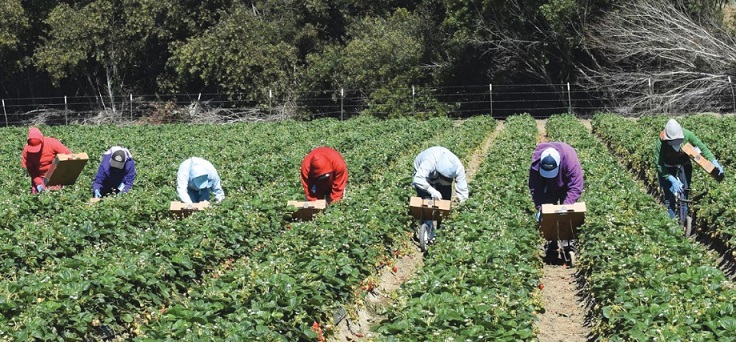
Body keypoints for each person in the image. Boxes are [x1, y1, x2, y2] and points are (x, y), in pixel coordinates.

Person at [655, 118, 723, 218]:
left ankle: (683, 220)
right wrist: (671, 179)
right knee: (669, 198)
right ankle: (672, 222)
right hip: (667, 167)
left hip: (683, 164)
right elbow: (659, 164)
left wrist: (713, 161)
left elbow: (702, 148)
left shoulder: (687, 134)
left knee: (684, 194)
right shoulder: (661, 141)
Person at [412, 146, 468, 243]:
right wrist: (431, 190)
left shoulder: (458, 167)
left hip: (436, 174)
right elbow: (418, 179)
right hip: (424, 177)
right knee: (427, 203)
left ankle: (441, 230)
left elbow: (462, 189)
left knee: (445, 203)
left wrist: (464, 206)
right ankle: (427, 231)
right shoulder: (429, 162)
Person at [528, 142, 584, 219]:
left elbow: (576, 186)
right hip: (548, 185)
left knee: (566, 216)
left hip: (565, 183)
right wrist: (540, 207)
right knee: (548, 214)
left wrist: (566, 207)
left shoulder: (571, 162)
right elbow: (535, 187)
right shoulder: (536, 163)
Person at [21, 127, 72, 194]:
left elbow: (68, 156)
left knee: (56, 197)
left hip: (55, 177)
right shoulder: (26, 151)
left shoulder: (52, 143)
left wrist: (62, 175)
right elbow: (31, 169)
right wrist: (38, 183)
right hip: (38, 177)